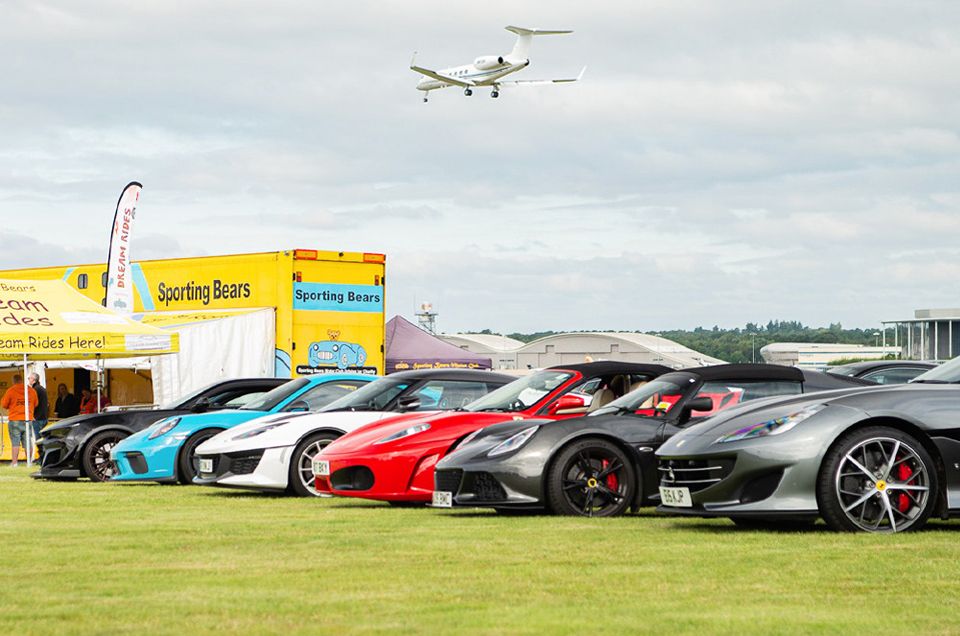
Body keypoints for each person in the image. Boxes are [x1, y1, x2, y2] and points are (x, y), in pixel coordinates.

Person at [1, 374, 38, 467]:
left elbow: (4, 405)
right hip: (27, 419)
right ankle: (29, 462)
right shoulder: (31, 390)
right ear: (22, 380)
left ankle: (14, 463)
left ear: (13, 381)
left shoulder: (11, 390)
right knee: (28, 441)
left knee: (15, 441)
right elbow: (36, 403)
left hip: (15, 419)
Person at [28, 373, 48, 442]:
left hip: (37, 418)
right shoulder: (41, 388)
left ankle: (42, 453)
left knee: (39, 440)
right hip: (43, 417)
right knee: (43, 439)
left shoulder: (35, 389)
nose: (28, 380)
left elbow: (32, 403)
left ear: (34, 380)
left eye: (29, 378)